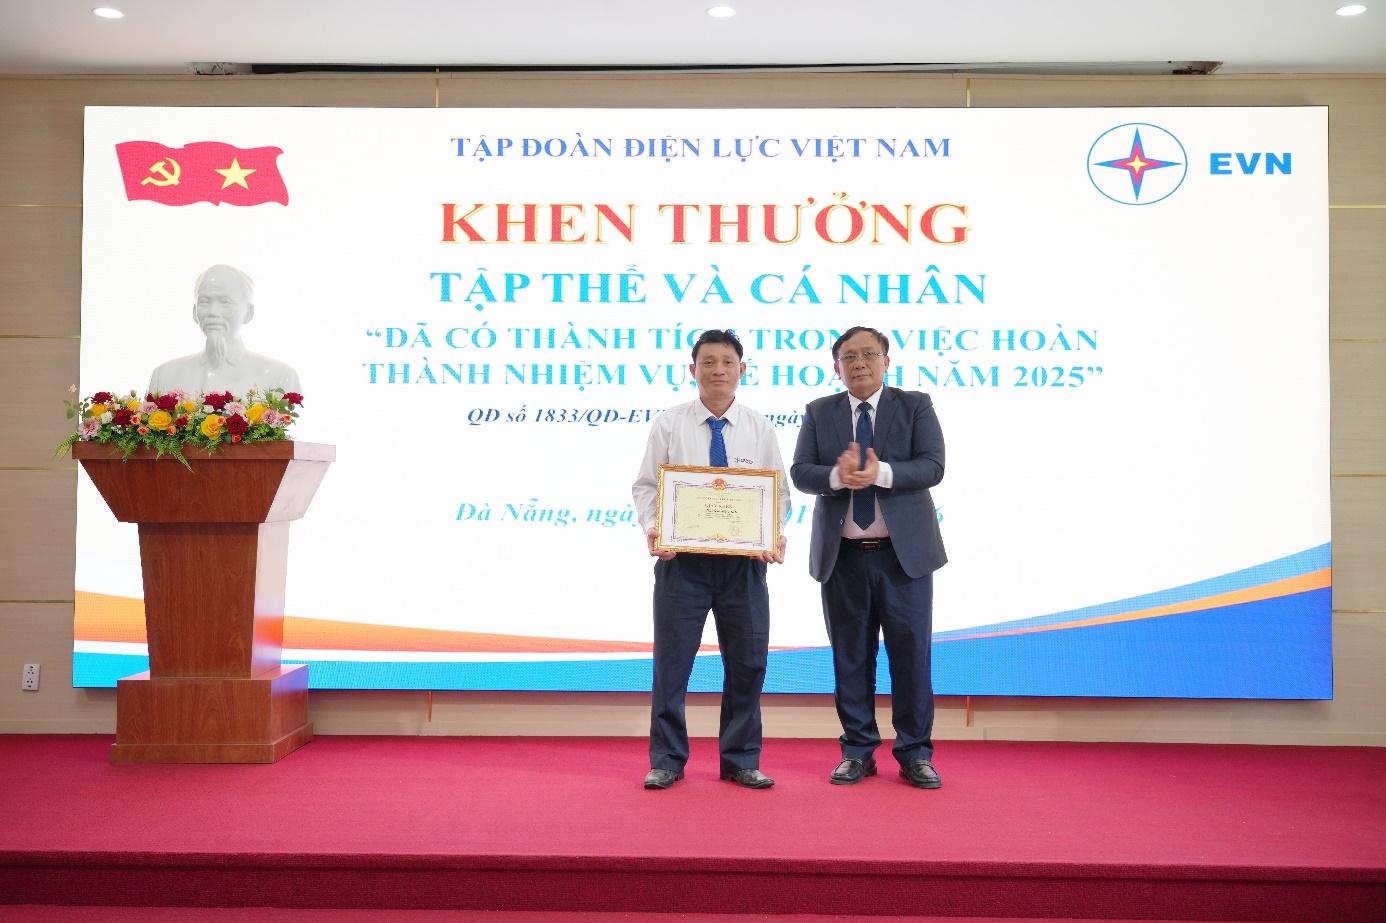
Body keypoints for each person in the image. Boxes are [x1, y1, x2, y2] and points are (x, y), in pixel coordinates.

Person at [632, 329, 790, 790]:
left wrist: (772, 534)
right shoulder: (669, 423)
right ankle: (667, 759)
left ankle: (741, 759)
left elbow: (778, 491)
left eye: (727, 362)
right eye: (708, 362)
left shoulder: (759, 426)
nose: (718, 370)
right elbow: (646, 486)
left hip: (744, 566)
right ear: (693, 369)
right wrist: (654, 528)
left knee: (748, 663)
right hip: (683, 563)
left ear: (742, 370)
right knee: (672, 665)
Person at [790, 326, 946, 789]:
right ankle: (857, 751)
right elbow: (800, 472)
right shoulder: (819, 411)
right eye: (849, 357)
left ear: (886, 361)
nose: (859, 363)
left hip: (903, 558)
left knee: (910, 657)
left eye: (868, 354)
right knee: (851, 658)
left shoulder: (915, 404)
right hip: (843, 557)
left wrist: (882, 473)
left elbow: (933, 465)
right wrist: (837, 478)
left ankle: (915, 754)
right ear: (836, 366)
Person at [148, 264, 302, 397]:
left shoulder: (279, 376)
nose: (213, 312)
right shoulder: (165, 376)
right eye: (204, 301)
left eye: (225, 301)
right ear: (194, 312)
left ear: (248, 312)